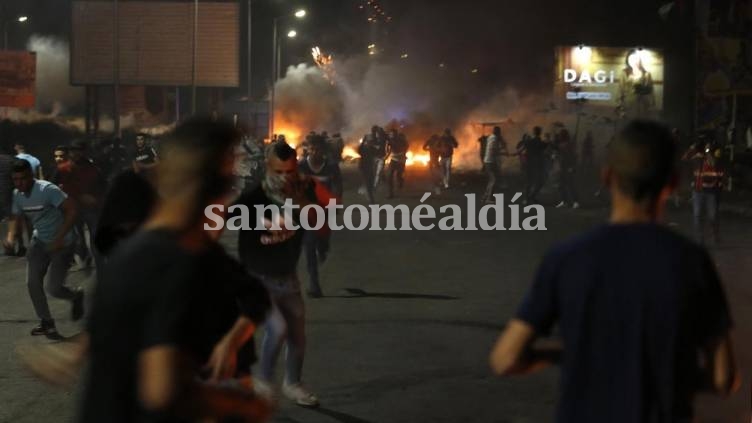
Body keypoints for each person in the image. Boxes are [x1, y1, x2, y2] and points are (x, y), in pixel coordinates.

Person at [490, 120, 739, 423]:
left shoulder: (567, 257)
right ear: (672, 183)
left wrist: (569, 354)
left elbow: (505, 358)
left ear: (607, 177)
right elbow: (723, 379)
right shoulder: (692, 262)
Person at [233, 140, 336, 407]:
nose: (284, 178)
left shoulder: (303, 192)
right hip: (258, 279)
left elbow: (323, 220)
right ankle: (264, 383)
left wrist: (302, 200)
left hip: (288, 278)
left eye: (289, 171)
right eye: (278, 172)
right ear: (268, 168)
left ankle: (293, 383)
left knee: (297, 335)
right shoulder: (255, 196)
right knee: (277, 329)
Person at [3, 159, 84, 338]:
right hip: (39, 241)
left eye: (23, 179)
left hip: (63, 244)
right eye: (15, 179)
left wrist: (60, 238)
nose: (19, 183)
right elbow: (15, 217)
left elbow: (72, 209)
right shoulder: (17, 194)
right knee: (32, 283)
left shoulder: (47, 190)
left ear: (31, 176)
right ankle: (47, 323)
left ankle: (76, 296)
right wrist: (10, 236)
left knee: (54, 288)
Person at [298, 136, 342, 298]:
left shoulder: (331, 167)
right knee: (309, 245)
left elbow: (338, 187)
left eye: (319, 149)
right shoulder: (301, 166)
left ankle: (323, 249)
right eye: (312, 149)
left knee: (322, 242)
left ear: (324, 151)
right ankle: (314, 283)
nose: (315, 152)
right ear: (308, 149)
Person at [54, 139, 107, 271]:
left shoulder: (94, 168)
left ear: (84, 152)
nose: (76, 154)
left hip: (91, 209)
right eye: (73, 151)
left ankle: (100, 265)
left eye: (79, 151)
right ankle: (83, 259)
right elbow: (52, 188)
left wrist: (97, 201)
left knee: (95, 238)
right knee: (77, 238)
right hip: (72, 209)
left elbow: (103, 187)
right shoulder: (63, 169)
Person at [683, 142, 725, 245]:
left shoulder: (712, 157)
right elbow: (684, 160)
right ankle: (700, 239)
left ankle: (715, 235)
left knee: (712, 216)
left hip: (710, 192)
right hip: (698, 192)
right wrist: (691, 149)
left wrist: (707, 152)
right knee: (697, 216)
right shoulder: (696, 159)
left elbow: (713, 163)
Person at [518, 127, 548, 204]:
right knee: (539, 182)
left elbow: (521, 150)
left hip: (530, 164)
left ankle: (527, 198)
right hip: (537, 164)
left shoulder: (529, 141)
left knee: (529, 182)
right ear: (540, 132)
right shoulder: (540, 142)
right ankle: (531, 197)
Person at [554, 129, 580, 209]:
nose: (560, 136)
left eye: (561, 135)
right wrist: (555, 156)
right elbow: (560, 155)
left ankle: (575, 202)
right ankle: (564, 201)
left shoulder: (569, 145)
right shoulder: (561, 144)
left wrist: (572, 167)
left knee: (570, 185)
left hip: (568, 167)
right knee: (561, 186)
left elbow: (573, 156)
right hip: (561, 167)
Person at [482, 126, 508, 204]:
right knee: (494, 179)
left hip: (489, 161)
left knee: (492, 179)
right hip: (490, 161)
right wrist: (503, 153)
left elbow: (496, 149)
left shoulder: (491, 137)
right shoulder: (494, 139)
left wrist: (502, 144)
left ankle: (486, 196)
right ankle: (488, 198)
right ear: (498, 132)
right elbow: (493, 151)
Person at [386, 128, 409, 198]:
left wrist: (403, 153)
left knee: (399, 176)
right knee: (389, 176)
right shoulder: (389, 140)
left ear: (395, 134)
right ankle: (391, 194)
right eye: (390, 134)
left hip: (401, 160)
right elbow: (389, 149)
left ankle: (401, 182)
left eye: (392, 134)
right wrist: (386, 156)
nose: (390, 135)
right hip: (393, 160)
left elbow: (406, 147)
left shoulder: (401, 140)